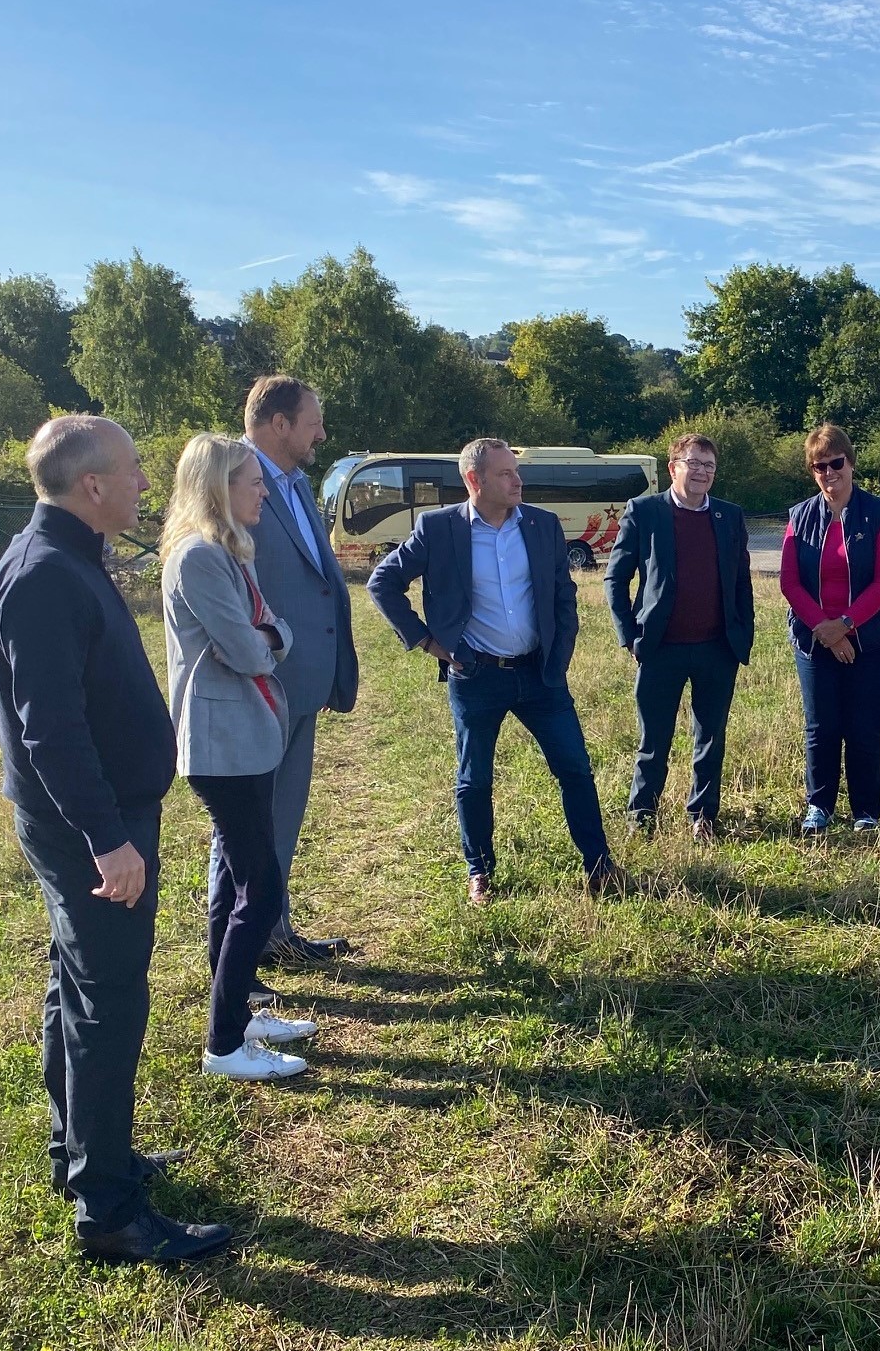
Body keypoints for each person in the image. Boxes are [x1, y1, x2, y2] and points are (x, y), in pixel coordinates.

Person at [0, 415, 230, 1263]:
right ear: (91, 486)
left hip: (100, 820)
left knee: (76, 986)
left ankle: (84, 1156)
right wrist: (106, 839)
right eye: (130, 472)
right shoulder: (46, 575)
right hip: (96, 829)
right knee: (108, 1004)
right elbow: (48, 728)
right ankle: (109, 1211)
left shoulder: (65, 558)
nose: (141, 485)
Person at [367, 437, 627, 903]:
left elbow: (562, 595)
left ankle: (600, 865)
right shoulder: (439, 528)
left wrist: (560, 654)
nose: (518, 481)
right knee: (475, 778)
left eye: (516, 472)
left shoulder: (543, 526)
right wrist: (428, 641)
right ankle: (480, 871)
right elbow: (383, 582)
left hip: (540, 675)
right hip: (476, 675)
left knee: (575, 769)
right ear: (474, 479)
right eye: (506, 473)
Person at [161, 434, 319, 1081]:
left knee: (236, 876)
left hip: (245, 735)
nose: (262, 491)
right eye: (251, 481)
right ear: (217, 487)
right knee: (262, 883)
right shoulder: (199, 557)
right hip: (221, 745)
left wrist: (265, 638)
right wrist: (265, 639)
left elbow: (273, 632)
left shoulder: (230, 551)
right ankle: (224, 1042)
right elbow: (254, 650)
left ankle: (242, 1004)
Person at [239, 375, 358, 976]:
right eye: (313, 421)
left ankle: (272, 930)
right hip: (260, 682)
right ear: (278, 424)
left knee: (282, 815)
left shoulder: (294, 485)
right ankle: (237, 958)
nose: (322, 433)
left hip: (300, 681)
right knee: (245, 826)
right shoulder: (233, 484)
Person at [604, 432, 755, 839]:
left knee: (710, 739)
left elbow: (741, 581)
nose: (702, 472)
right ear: (674, 468)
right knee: (653, 741)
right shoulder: (644, 512)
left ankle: (703, 816)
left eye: (709, 465)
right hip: (659, 649)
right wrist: (629, 636)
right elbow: (615, 578)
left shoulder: (728, 515)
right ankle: (642, 816)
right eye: (694, 463)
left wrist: (743, 634)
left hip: (716, 649)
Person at [779, 423, 880, 834]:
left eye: (836, 463)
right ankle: (819, 806)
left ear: (851, 463)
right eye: (820, 466)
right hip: (815, 640)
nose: (829, 472)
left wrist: (846, 626)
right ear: (812, 471)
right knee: (821, 725)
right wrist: (825, 629)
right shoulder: (800, 517)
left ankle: (866, 810)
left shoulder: (878, 514)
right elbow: (790, 582)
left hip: (872, 638)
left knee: (864, 725)